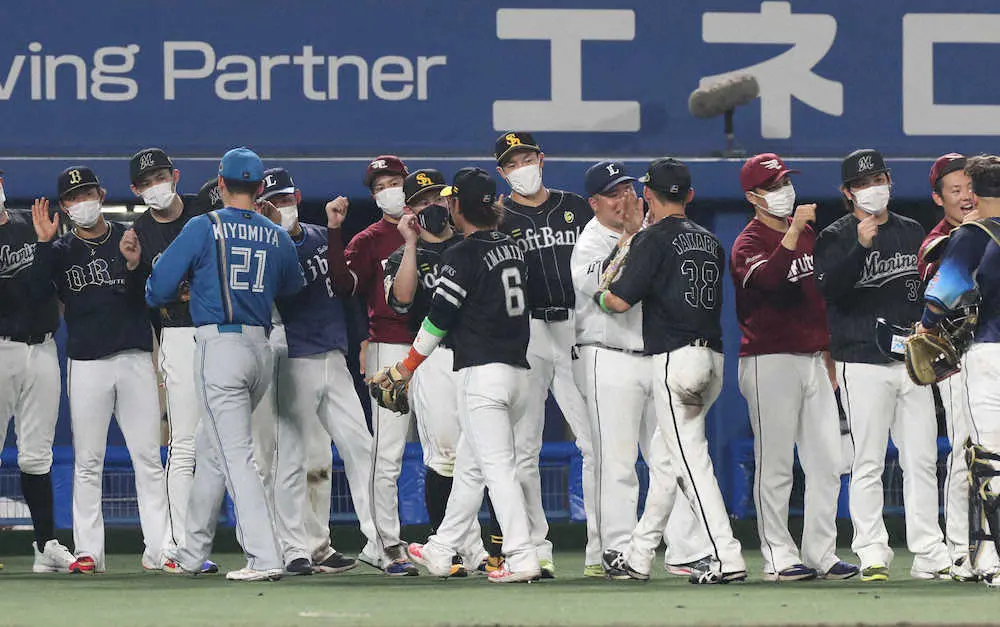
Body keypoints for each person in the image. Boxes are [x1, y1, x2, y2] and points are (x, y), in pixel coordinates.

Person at [146, 147, 305, 581]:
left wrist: (191, 285)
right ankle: (192, 551)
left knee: (235, 456)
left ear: (220, 184)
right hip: (261, 348)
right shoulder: (275, 233)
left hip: (220, 347)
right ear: (260, 188)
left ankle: (265, 557)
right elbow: (293, 285)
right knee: (211, 450)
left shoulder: (204, 225)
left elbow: (157, 287)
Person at [379, 167, 539, 583]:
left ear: (455, 206)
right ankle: (441, 547)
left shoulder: (463, 254)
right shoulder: (514, 247)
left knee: (497, 469)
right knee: (469, 467)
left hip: (483, 374)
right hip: (518, 371)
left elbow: (438, 319)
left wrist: (405, 366)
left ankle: (522, 555)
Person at [593, 157, 747, 584]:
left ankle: (727, 556)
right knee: (666, 461)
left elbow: (617, 300)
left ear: (647, 194)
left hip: (676, 362)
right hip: (713, 360)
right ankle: (639, 555)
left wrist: (600, 295)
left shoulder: (652, 239)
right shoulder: (710, 240)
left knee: (692, 463)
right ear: (690, 195)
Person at [570, 160, 711, 579]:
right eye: (612, 194)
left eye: (627, 190)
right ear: (594, 203)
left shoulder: (657, 234)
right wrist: (631, 236)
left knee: (671, 457)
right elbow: (607, 288)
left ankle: (686, 550)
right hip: (607, 355)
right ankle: (617, 548)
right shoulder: (589, 243)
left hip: (655, 356)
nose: (623, 200)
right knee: (616, 460)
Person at [814, 148, 949, 581]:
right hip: (861, 361)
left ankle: (929, 551)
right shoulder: (835, 236)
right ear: (847, 193)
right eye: (862, 183)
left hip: (909, 360)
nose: (873, 188)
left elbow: (924, 289)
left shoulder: (911, 231)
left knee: (921, 458)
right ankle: (872, 550)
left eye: (878, 179)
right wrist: (860, 246)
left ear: (889, 180)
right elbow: (830, 291)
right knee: (868, 461)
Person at [31, 167, 168, 574]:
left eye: (87, 193)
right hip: (87, 362)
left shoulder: (130, 235)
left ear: (102, 194)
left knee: (148, 457)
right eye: (73, 197)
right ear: (63, 206)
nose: (82, 202)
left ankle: (160, 547)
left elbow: (149, 295)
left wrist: (134, 266)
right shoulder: (58, 251)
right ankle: (89, 550)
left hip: (134, 357)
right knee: (88, 461)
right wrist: (42, 245)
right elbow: (36, 293)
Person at [730, 153, 858, 582]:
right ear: (753, 197)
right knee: (776, 465)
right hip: (769, 359)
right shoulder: (748, 242)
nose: (783, 191)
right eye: (773, 186)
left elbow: (817, 298)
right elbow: (769, 281)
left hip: (812, 358)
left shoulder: (803, 234)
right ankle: (778, 555)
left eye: (785, 181)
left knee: (827, 461)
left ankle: (821, 551)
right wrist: (793, 232)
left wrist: (828, 349)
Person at [258, 167, 373, 575]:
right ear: (261, 208)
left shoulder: (325, 237)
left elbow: (345, 294)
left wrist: (362, 339)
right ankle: (294, 548)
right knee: (291, 458)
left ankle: (359, 542)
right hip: (292, 357)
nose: (283, 207)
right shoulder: (264, 249)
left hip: (334, 355)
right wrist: (271, 237)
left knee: (353, 449)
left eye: (286, 199)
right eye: (273, 202)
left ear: (298, 197)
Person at [495, 131, 598, 576]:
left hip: (577, 325)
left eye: (526, 158)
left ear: (542, 158)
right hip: (529, 330)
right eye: (512, 162)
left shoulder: (575, 206)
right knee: (524, 448)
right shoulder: (500, 218)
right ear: (502, 172)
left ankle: (601, 549)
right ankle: (536, 549)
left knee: (595, 442)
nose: (521, 167)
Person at [384, 168, 489, 569]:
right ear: (409, 210)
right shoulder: (402, 256)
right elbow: (401, 301)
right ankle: (451, 548)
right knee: (445, 456)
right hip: (433, 358)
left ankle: (476, 549)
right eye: (422, 202)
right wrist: (411, 243)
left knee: (480, 453)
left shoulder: (470, 245)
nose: (432, 207)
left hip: (475, 353)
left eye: (436, 198)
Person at [325, 155, 418, 575]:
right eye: (379, 187)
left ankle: (458, 546)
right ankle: (386, 545)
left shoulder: (433, 226)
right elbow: (343, 287)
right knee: (388, 452)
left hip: (438, 347)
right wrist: (335, 232)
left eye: (393, 182)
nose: (388, 191)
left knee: (449, 449)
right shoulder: (367, 240)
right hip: (389, 349)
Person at [127, 148, 217, 574]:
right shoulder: (139, 233)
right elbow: (149, 297)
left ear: (176, 175)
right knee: (184, 442)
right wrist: (134, 268)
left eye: (160, 177)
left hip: (221, 331)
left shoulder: (204, 209)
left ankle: (260, 545)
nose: (155, 186)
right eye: (146, 182)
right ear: (135, 190)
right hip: (177, 334)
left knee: (237, 443)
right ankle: (179, 546)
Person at [920, 154, 1000, 589]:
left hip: (988, 354)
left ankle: (994, 560)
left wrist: (925, 328)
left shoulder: (973, 233)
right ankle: (985, 555)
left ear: (973, 191)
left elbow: (944, 292)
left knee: (989, 461)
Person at [0, 171, 77, 573]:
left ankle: (46, 545)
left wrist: (47, 244)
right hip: (1, 347)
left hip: (43, 346)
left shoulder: (31, 225)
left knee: (37, 453)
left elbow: (50, 287)